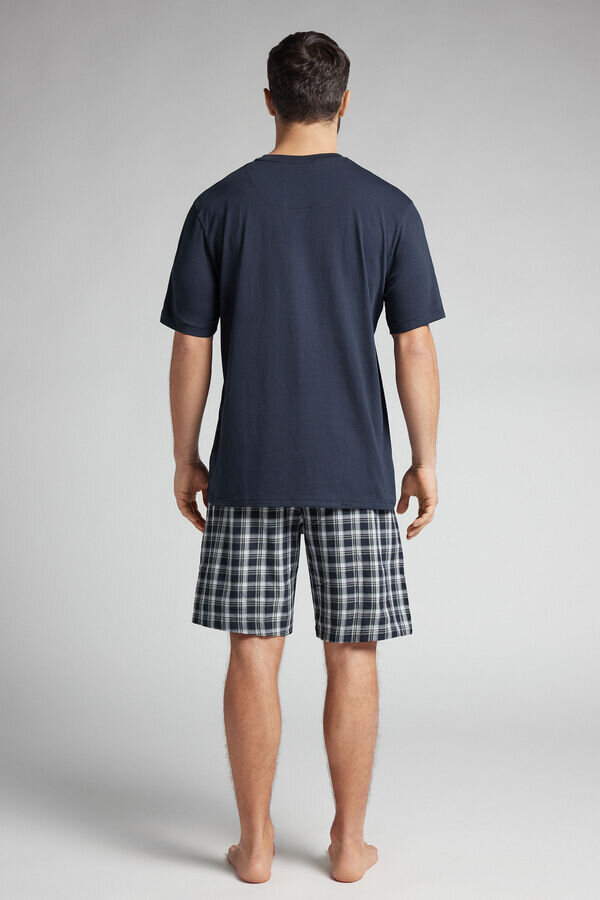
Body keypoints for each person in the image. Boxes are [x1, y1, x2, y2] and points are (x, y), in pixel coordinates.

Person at [160, 30, 445, 885]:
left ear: (269, 101)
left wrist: (186, 454)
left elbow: (190, 345)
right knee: (353, 651)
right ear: (344, 102)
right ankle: (348, 845)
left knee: (253, 648)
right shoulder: (389, 208)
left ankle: (253, 847)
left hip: (249, 468)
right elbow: (415, 347)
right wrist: (425, 459)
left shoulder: (219, 206)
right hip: (356, 472)